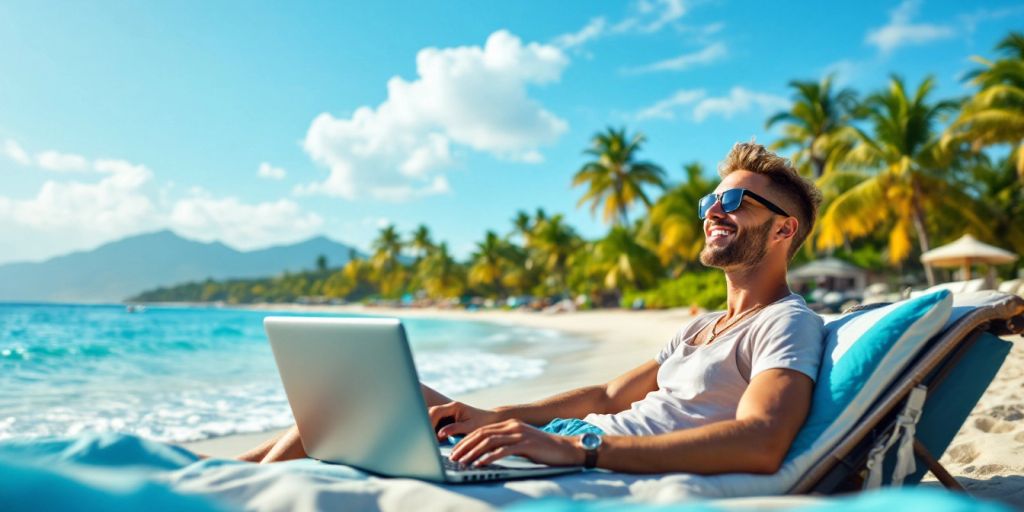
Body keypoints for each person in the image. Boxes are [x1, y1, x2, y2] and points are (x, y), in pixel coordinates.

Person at [239, 142, 826, 475]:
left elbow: (760, 439)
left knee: (358, 403)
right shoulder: (703, 327)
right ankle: (233, 476)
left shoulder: (787, 322)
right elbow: (604, 397)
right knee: (363, 387)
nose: (713, 212)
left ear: (783, 230)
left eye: (733, 201)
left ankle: (232, 487)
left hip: (583, 460)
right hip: (572, 438)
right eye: (710, 200)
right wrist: (487, 414)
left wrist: (576, 449)